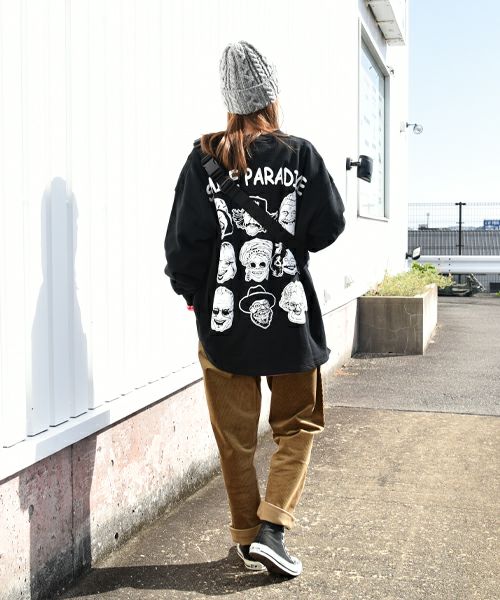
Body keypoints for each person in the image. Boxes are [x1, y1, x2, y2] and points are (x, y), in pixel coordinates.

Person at [163, 40, 346, 577]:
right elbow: (329, 224)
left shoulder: (205, 158)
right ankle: (273, 529)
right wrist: (293, 243)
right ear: (271, 97)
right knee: (298, 424)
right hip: (290, 321)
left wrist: (194, 296)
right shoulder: (299, 155)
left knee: (235, 439)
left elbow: (183, 245)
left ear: (230, 101)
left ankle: (247, 536)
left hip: (224, 325)